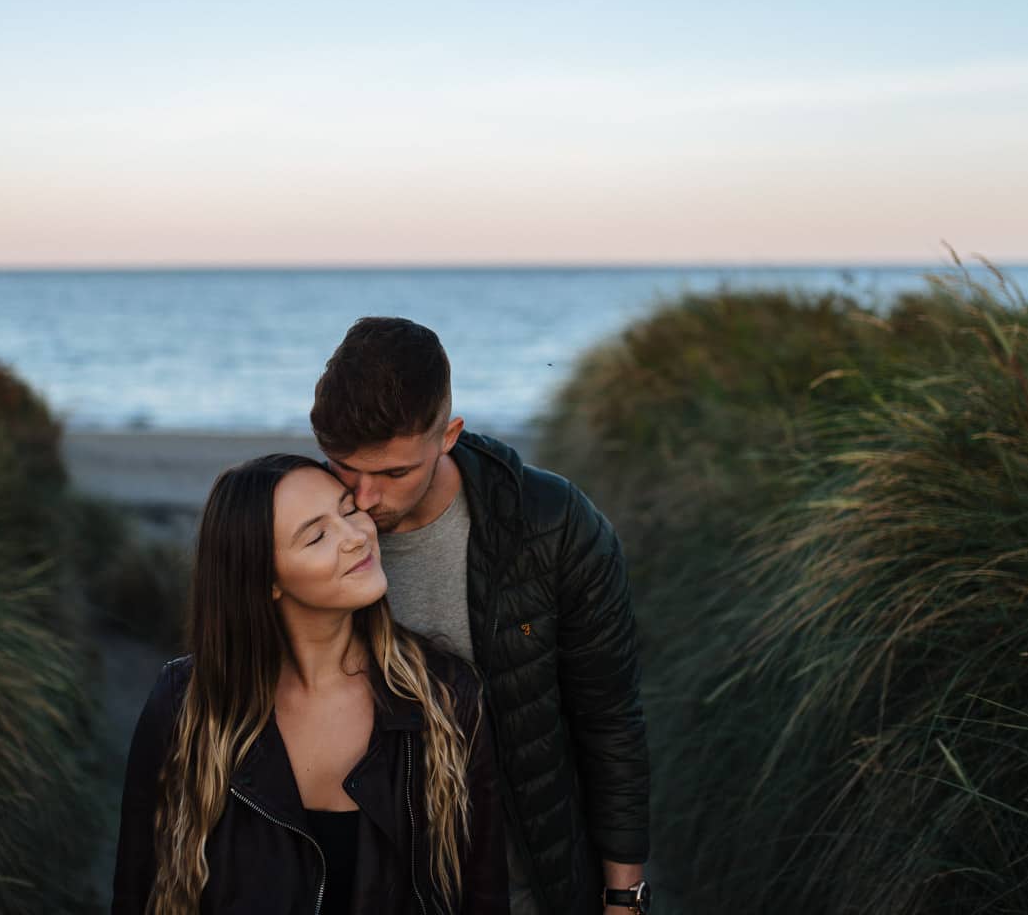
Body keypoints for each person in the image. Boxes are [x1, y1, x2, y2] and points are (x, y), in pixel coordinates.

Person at [310, 318, 652, 915]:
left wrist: (624, 898)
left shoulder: (553, 524)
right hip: (358, 881)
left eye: (394, 473)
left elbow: (609, 719)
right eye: (344, 466)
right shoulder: (300, 533)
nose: (364, 500)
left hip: (525, 882)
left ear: (448, 435)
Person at [111, 453, 508, 915]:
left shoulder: (445, 695)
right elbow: (137, 892)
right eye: (317, 535)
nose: (356, 538)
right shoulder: (184, 705)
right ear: (266, 579)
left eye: (349, 510)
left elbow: (485, 896)